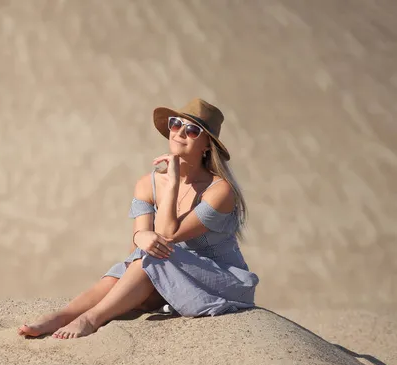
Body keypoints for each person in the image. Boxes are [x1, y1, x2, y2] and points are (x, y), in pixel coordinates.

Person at [18, 98, 260, 339]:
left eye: (192, 130)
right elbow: (139, 249)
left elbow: (167, 235)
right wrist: (140, 234)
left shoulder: (219, 191)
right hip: (171, 270)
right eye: (176, 125)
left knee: (155, 259)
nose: (179, 133)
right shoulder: (147, 184)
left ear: (208, 144)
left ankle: (91, 319)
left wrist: (174, 181)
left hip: (220, 280)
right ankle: (61, 316)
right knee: (139, 263)